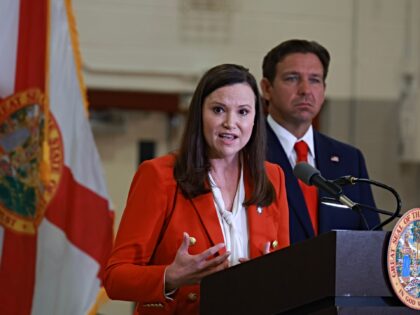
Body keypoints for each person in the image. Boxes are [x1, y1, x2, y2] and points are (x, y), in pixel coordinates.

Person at [104, 64, 290, 315]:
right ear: (199, 114)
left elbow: (288, 272)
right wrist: (170, 276)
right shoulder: (159, 176)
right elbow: (116, 278)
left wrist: (272, 280)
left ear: (256, 119)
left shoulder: (272, 177)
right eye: (218, 110)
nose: (230, 123)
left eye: (243, 112)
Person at [260, 39, 380, 244]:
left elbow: (369, 236)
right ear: (267, 88)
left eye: (315, 80)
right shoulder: (247, 152)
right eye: (292, 78)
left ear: (324, 89)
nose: (305, 90)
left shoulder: (350, 159)